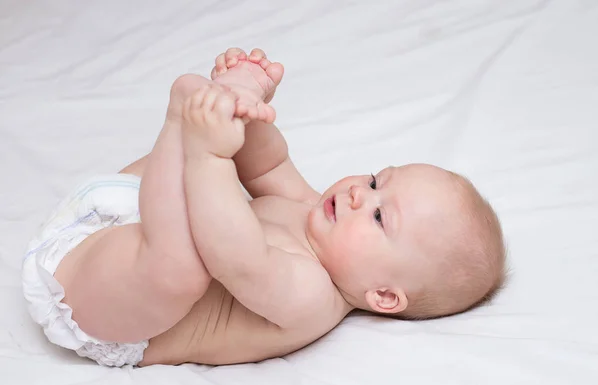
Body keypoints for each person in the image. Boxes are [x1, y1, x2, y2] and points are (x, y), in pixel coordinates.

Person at [22, 48, 506, 367]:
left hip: (105, 307)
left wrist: (210, 153)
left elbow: (233, 254)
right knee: (216, 176)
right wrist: (247, 109)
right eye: (377, 179)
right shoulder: (312, 211)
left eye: (380, 216)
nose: (361, 192)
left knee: (185, 265)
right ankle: (197, 119)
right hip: (122, 214)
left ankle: (182, 124)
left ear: (383, 295)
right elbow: (268, 164)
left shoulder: (313, 297)